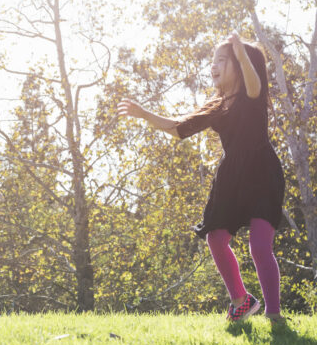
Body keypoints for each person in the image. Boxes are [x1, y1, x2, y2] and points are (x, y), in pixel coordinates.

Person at [118, 32, 285, 323]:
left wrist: (240, 52)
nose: (213, 66)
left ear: (239, 65)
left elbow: (255, 84)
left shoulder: (252, 97)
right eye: (213, 61)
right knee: (216, 238)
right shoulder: (217, 105)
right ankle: (241, 301)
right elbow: (178, 128)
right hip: (232, 178)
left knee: (259, 246)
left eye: (222, 60)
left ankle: (274, 315)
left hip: (263, 175)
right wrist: (144, 114)